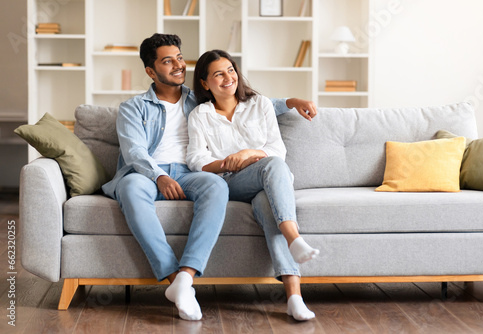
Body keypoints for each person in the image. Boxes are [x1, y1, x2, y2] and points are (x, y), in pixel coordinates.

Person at [101, 33, 318, 321]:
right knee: (129, 189)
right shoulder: (134, 107)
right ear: (150, 71)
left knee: (216, 186)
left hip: (192, 173)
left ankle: (187, 276)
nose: (178, 65)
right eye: (168, 61)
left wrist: (290, 101)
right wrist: (159, 177)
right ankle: (176, 282)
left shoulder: (198, 99)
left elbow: (246, 99)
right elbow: (135, 152)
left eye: (180, 58)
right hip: (147, 171)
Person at [186, 49, 320, 321]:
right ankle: (294, 238)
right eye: (218, 74)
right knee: (274, 165)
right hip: (230, 182)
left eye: (231, 70)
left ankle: (294, 297)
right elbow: (195, 159)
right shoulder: (200, 115)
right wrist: (226, 163)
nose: (228, 77)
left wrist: (248, 153)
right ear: (204, 82)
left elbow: (275, 149)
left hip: (267, 182)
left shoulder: (259, 104)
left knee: (269, 200)